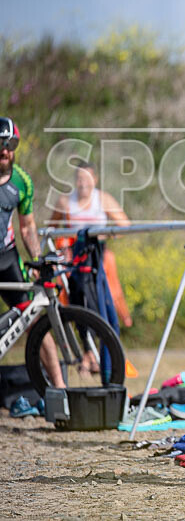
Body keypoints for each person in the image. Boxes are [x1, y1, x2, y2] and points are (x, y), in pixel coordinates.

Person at [0, 117, 65, 388]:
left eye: (11, 144)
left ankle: (60, 388)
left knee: (34, 320)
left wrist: (37, 259)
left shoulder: (22, 181)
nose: (5, 150)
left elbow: (27, 227)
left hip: (6, 258)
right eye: (0, 144)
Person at [48, 160, 133, 327]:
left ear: (95, 179)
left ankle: (122, 319)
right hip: (74, 255)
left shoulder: (103, 199)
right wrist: (62, 243)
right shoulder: (65, 201)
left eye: (87, 178)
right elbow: (51, 229)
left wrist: (102, 235)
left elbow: (125, 225)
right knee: (59, 277)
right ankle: (66, 320)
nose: (83, 183)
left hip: (97, 252)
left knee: (109, 272)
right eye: (80, 178)